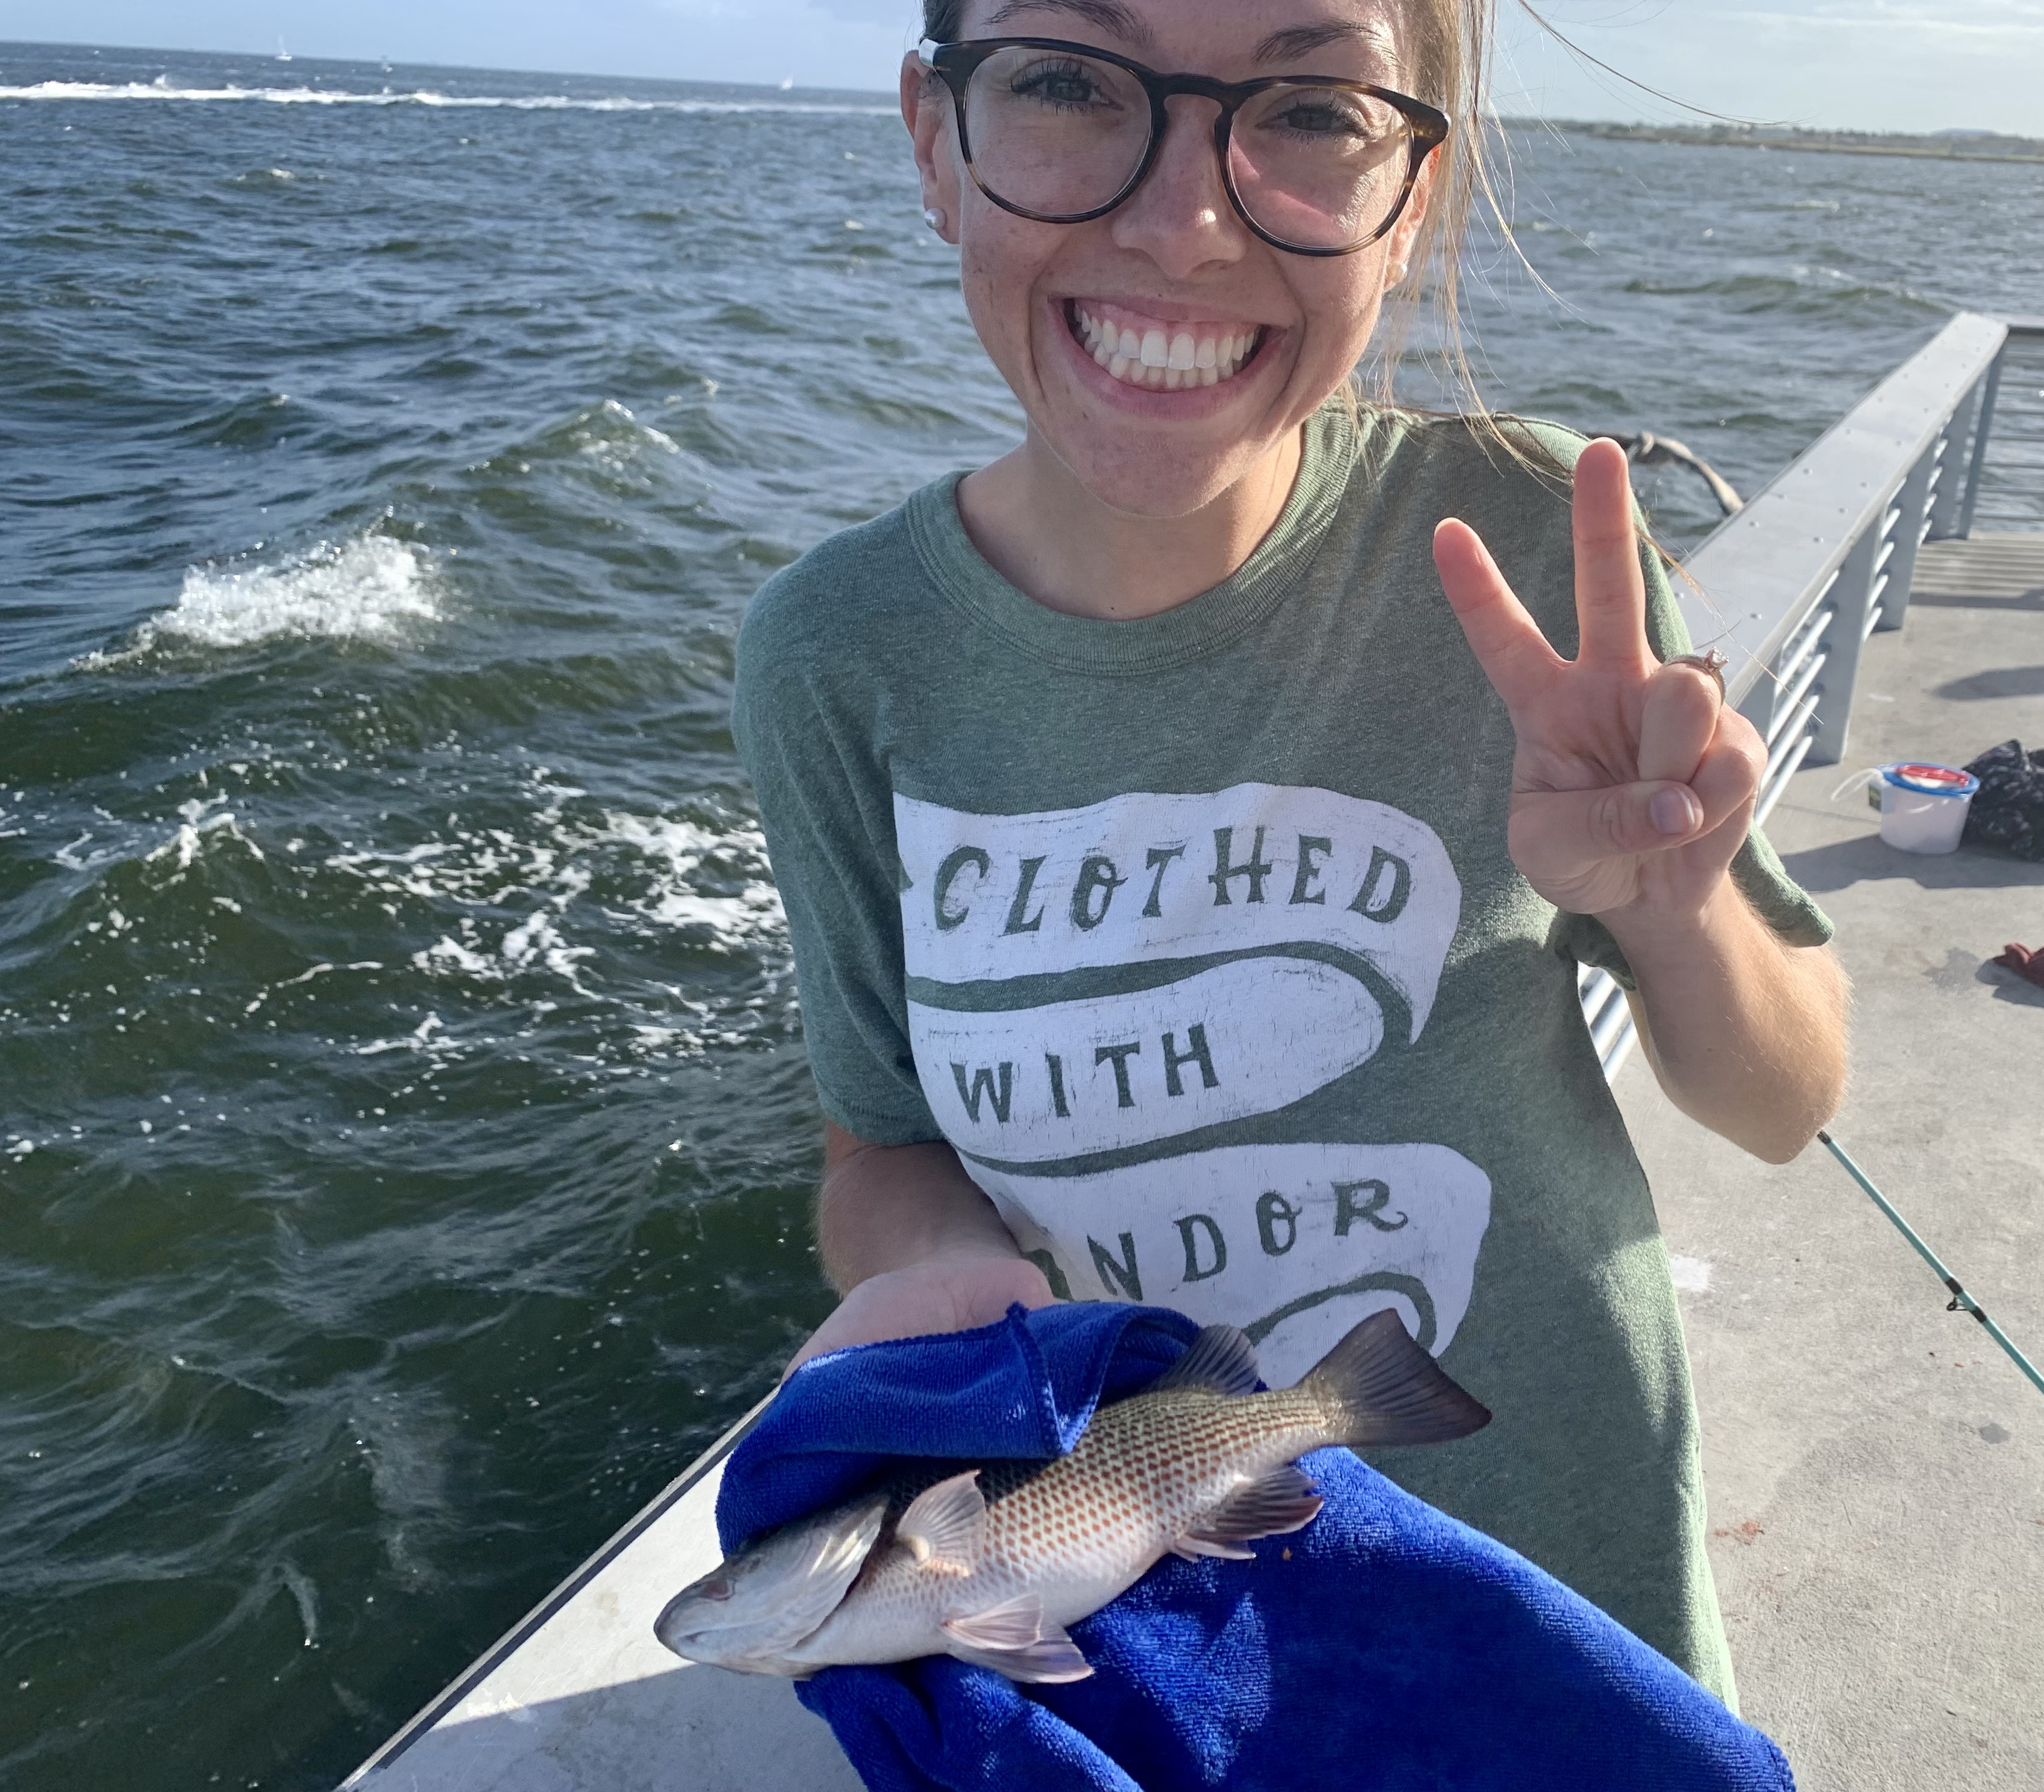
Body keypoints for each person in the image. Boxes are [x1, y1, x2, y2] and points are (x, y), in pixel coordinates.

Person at [734, 0, 1847, 1706]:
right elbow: (879, 1143)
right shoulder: (833, 653)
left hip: (1559, 1582)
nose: (1184, 222)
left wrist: (1685, 905)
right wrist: (953, 1281)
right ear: (935, 142)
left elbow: (1784, 1101)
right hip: (1151, 1610)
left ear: (1411, 200)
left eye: (1314, 108)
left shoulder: (1530, 543)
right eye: (1065, 81)